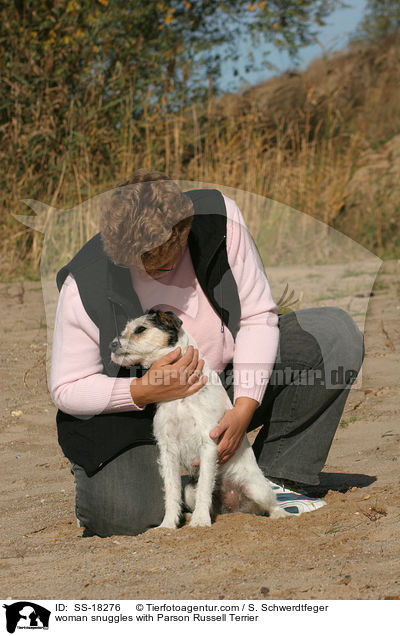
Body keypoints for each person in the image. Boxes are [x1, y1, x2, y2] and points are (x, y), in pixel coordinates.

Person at [50, 169, 364, 537]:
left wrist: (243, 407)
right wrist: (144, 391)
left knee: (334, 335)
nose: (157, 270)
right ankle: (104, 488)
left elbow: (259, 316)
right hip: (130, 414)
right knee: (122, 515)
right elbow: (67, 388)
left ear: (185, 227)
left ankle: (277, 479)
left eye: (167, 256)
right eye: (143, 261)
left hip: (217, 387)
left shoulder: (220, 220)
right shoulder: (84, 282)